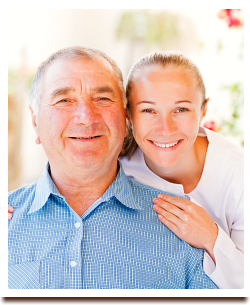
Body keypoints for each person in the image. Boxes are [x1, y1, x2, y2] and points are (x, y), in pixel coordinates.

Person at [8, 46, 217, 289]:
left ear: (126, 117)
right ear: (35, 122)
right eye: (64, 100)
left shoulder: (182, 226)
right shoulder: (8, 223)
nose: (86, 117)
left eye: (103, 99)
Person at [119, 51, 244, 289]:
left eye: (181, 110)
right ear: (129, 115)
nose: (166, 129)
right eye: (148, 110)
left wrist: (211, 237)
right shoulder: (118, 168)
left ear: (203, 110)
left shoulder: (239, 177)